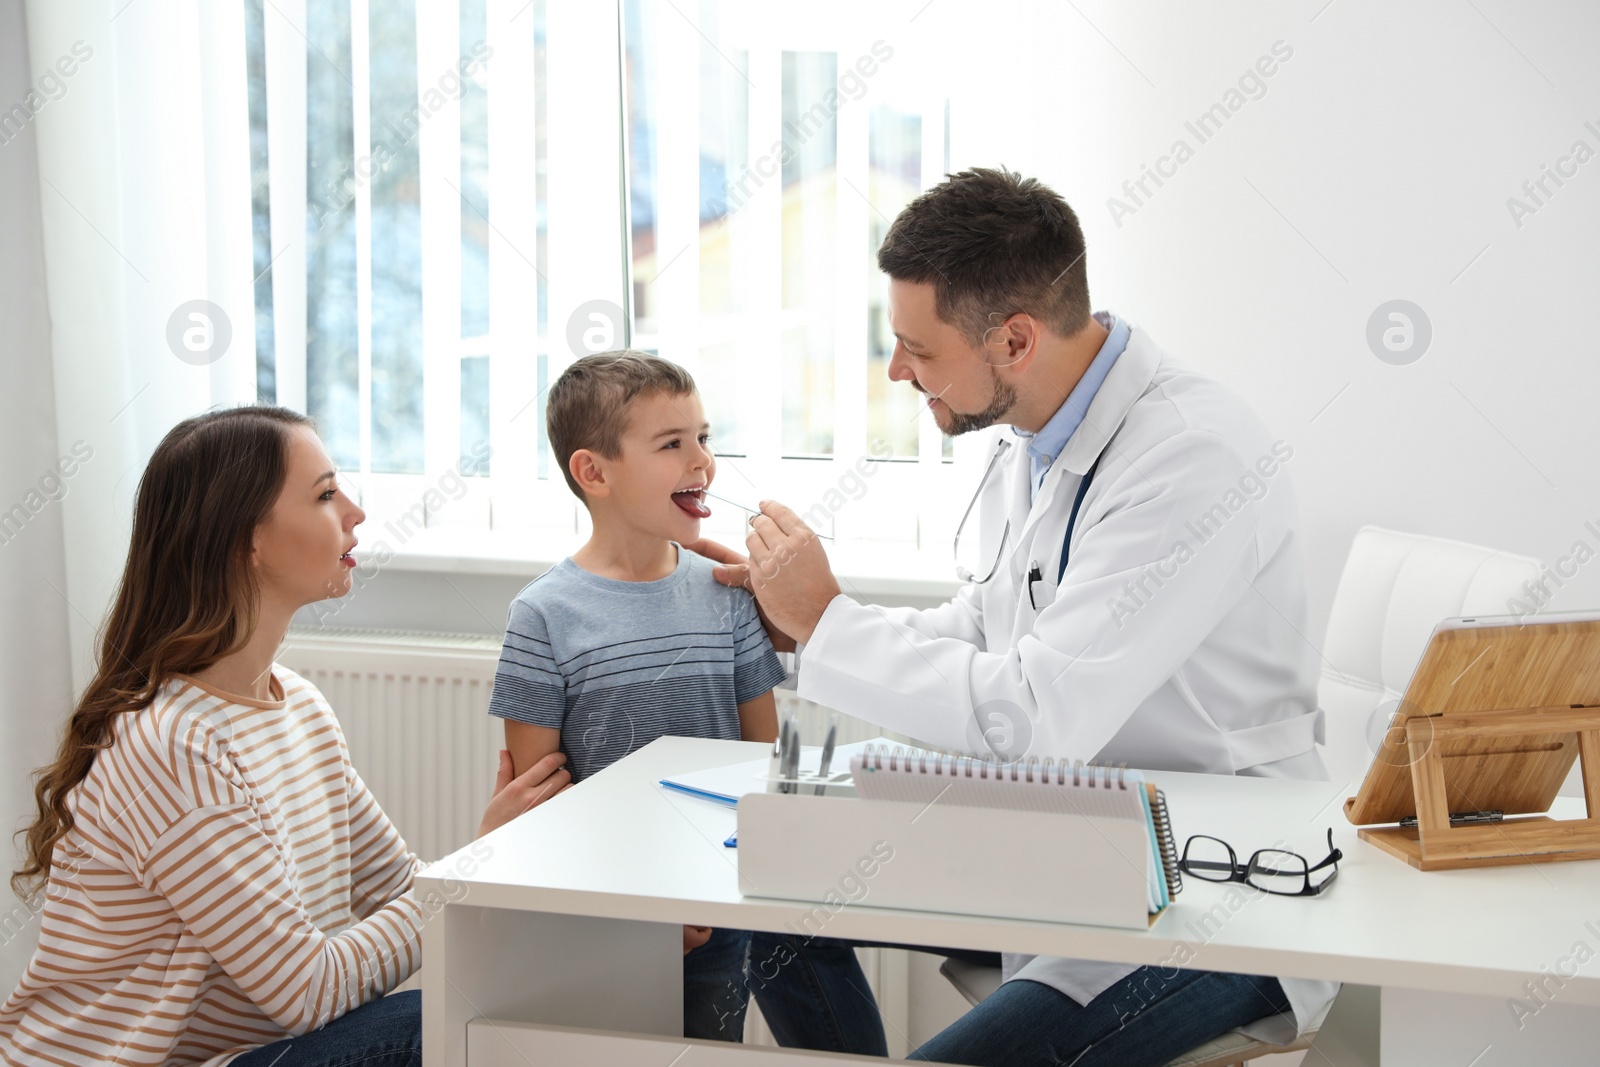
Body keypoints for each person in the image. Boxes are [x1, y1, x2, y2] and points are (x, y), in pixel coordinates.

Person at [692, 168, 1339, 1066]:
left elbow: (1031, 718)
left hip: (1216, 884)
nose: (896, 369)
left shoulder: (1191, 457)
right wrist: (803, 629)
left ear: (1016, 338)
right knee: (782, 923)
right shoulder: (1035, 436)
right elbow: (989, 625)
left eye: (915, 345)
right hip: (1072, 849)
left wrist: (832, 618)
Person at [0, 407, 572, 1067]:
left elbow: (398, 889)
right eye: (326, 494)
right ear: (248, 539)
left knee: (481, 1007)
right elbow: (305, 990)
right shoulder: (171, 744)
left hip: (254, 1050)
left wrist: (487, 879)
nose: (355, 512)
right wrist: (471, 872)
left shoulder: (296, 703)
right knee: (444, 1026)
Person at [484, 352, 813, 1042]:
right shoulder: (542, 615)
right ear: (593, 471)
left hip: (717, 909)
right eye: (673, 443)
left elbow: (763, 762)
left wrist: (712, 887)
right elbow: (541, 800)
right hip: (604, 918)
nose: (703, 461)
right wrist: (638, 908)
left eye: (704, 437)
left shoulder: (727, 594)